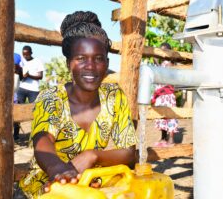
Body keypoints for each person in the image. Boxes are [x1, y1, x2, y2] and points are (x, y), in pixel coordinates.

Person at [18, 11, 137, 198]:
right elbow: (43, 140)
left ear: (106, 63)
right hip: (47, 186)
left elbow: (129, 153)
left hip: (89, 184)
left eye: (98, 58)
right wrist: (57, 168)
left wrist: (93, 156)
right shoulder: (52, 98)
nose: (90, 66)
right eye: (81, 58)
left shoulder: (115, 97)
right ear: (68, 64)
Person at [152, 42, 178, 147]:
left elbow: (164, 76)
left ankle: (171, 139)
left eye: (164, 50)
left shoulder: (170, 63)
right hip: (160, 95)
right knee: (162, 116)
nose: (162, 53)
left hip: (167, 94)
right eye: (160, 50)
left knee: (170, 116)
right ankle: (163, 138)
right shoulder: (163, 63)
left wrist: (157, 64)